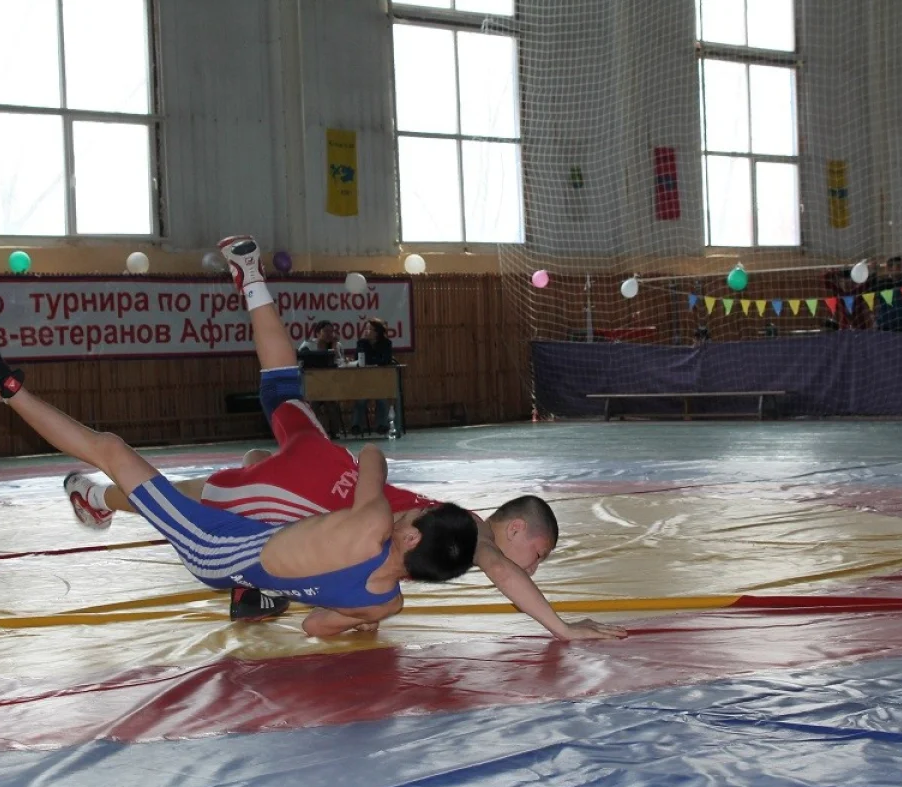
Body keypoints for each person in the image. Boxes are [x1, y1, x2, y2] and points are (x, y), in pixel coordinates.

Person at [65, 235, 628, 641]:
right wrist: (563, 630)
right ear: (513, 528)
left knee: (282, 389)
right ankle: (97, 495)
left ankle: (251, 275)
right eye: (539, 553)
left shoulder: (449, 521)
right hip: (291, 495)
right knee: (177, 504)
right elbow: (505, 572)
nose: (534, 566)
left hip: (323, 459)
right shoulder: (473, 537)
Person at [0, 305, 479, 636]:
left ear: (409, 540)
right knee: (259, 473)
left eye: (413, 516)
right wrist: (356, 621)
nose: (408, 508)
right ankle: (251, 590)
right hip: (244, 551)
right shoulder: (386, 605)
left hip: (212, 544)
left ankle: (1, 386)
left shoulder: (371, 524)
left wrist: (376, 499)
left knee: (114, 451)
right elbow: (317, 628)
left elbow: (369, 453)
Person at [296, 319, 346, 438]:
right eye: (326, 331)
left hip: (330, 384)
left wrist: (334, 347)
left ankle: (335, 432)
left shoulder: (337, 345)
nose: (329, 334)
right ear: (318, 333)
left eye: (331, 331)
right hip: (311, 384)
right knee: (314, 403)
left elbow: (341, 362)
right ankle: (315, 433)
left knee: (331, 403)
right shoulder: (308, 345)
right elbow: (300, 363)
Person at [350, 318, 394, 436]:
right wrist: (374, 361)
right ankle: (357, 426)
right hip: (364, 380)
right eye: (366, 328)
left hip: (380, 380)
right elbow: (359, 359)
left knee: (382, 399)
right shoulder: (361, 343)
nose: (366, 331)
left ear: (377, 332)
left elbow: (385, 360)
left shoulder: (386, 343)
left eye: (370, 329)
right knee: (360, 400)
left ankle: (382, 426)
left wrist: (372, 361)